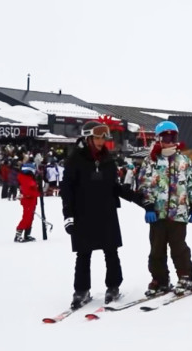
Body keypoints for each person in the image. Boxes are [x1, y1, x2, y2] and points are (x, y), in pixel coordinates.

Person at [61, 120, 142, 309]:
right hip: (82, 213)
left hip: (106, 212)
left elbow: (114, 187)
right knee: (83, 254)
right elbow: (67, 189)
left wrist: (137, 198)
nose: (101, 141)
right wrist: (68, 214)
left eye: (103, 138)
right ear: (88, 138)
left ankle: (113, 286)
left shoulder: (107, 160)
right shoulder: (75, 159)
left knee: (111, 251)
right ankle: (81, 290)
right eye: (97, 137)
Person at [138, 120, 192, 296]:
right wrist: (149, 206)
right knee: (156, 248)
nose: (170, 141)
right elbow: (144, 185)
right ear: (159, 139)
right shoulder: (150, 161)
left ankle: (186, 276)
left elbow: (191, 184)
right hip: (157, 213)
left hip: (178, 212)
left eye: (173, 137)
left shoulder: (183, 160)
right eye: (166, 138)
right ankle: (160, 279)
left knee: (179, 247)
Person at [14, 163, 40, 243]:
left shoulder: (29, 178)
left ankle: (27, 234)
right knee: (26, 217)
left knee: (30, 217)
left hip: (31, 201)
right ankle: (18, 235)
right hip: (28, 201)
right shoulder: (25, 178)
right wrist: (37, 193)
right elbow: (28, 192)